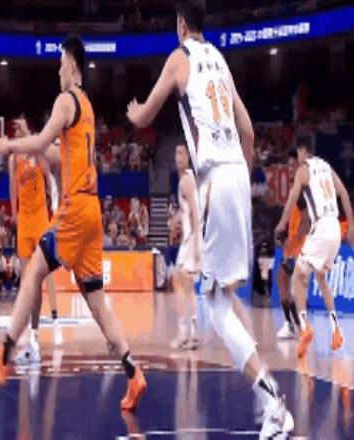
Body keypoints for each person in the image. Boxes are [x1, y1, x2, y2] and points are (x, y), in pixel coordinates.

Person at [126, 1, 293, 436]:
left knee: (215, 306)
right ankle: (266, 387)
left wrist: (132, 110)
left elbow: (146, 115)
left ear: (181, 24)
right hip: (237, 173)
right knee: (223, 296)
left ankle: (271, 399)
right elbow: (248, 131)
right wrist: (242, 175)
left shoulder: (179, 58)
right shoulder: (220, 59)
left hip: (216, 178)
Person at [0, 35, 146, 412]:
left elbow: (42, 143)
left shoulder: (65, 99)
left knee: (33, 271)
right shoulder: (86, 107)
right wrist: (31, 140)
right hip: (93, 211)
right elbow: (55, 153)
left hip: (74, 210)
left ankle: (3, 355)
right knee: (98, 302)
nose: (58, 72)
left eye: (60, 64)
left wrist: (11, 146)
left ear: (72, 64)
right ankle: (134, 374)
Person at [275, 135, 354, 358]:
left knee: (297, 277)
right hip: (335, 228)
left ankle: (304, 326)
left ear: (302, 151)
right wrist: (352, 224)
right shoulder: (327, 167)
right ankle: (336, 330)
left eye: (298, 153)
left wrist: (281, 223)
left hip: (320, 227)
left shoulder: (303, 170)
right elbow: (344, 194)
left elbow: (292, 200)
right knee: (321, 278)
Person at [8, 115, 62, 362]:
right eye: (17, 133)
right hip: (24, 222)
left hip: (41, 219)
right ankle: (26, 337)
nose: (18, 136)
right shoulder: (13, 159)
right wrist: (13, 213)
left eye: (21, 132)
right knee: (26, 281)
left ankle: (40, 332)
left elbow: (49, 175)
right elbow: (13, 188)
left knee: (41, 277)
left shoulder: (38, 154)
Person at [169, 144, 201, 350]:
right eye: (176, 152)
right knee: (184, 285)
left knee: (181, 283)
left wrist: (197, 247)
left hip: (192, 239)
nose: (178, 156)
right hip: (190, 238)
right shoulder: (186, 179)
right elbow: (187, 210)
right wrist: (176, 219)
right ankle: (191, 333)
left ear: (189, 157)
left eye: (182, 153)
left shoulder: (186, 181)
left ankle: (185, 333)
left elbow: (196, 213)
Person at [275, 150, 309, 339]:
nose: (289, 169)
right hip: (292, 247)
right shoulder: (294, 189)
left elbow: (306, 220)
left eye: (292, 166)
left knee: (286, 281)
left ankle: (294, 325)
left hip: (300, 248)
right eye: (287, 166)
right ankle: (294, 324)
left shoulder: (301, 192)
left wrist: (295, 240)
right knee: (283, 280)